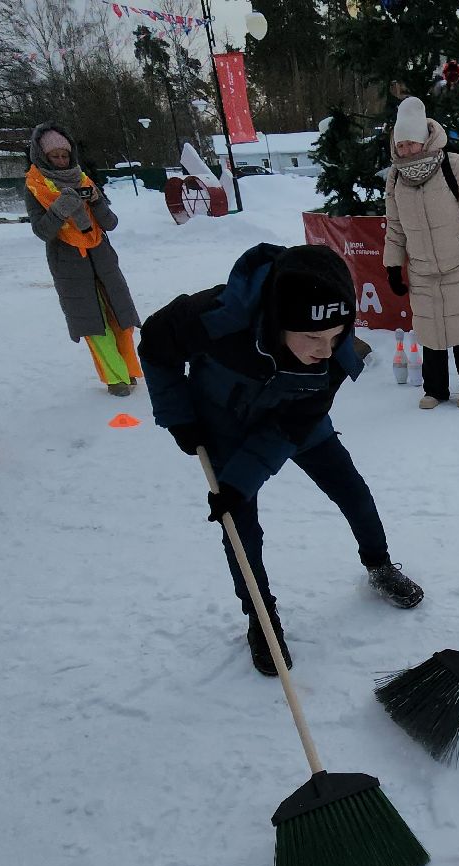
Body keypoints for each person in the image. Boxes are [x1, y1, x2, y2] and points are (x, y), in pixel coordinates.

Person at [140, 244, 426, 676]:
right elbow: (157, 345)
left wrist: (240, 481)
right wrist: (180, 416)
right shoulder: (216, 316)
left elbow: (287, 430)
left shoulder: (331, 361)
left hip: (297, 417)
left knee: (351, 490)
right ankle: (261, 617)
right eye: (312, 337)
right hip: (224, 421)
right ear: (278, 322)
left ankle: (379, 564)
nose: (326, 350)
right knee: (240, 527)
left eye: (336, 336)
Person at [381, 96, 459, 410]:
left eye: (411, 143)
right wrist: (393, 266)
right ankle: (435, 389)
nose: (405, 150)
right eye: (401, 144)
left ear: (424, 139)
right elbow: (395, 227)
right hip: (422, 268)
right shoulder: (395, 178)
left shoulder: (455, 165)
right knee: (430, 332)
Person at [24, 123, 143, 396]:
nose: (62, 161)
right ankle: (116, 378)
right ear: (42, 156)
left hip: (101, 257)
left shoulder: (84, 180)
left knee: (119, 317)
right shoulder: (35, 187)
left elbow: (110, 223)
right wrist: (60, 209)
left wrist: (97, 201)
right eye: (55, 156)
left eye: (65, 155)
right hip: (69, 263)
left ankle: (129, 369)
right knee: (93, 322)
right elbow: (42, 231)